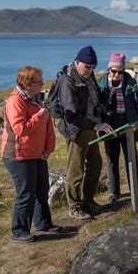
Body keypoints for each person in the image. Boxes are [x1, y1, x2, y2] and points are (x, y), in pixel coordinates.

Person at [1, 66, 59, 243]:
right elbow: (20, 129)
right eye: (39, 81)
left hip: (37, 153)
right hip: (18, 155)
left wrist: (49, 148)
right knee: (25, 193)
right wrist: (38, 117)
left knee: (42, 190)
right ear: (26, 84)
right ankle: (19, 231)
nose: (42, 83)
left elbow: (48, 125)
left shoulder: (38, 99)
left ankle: (43, 223)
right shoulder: (15, 101)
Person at [56, 46, 113, 220]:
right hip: (77, 131)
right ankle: (74, 207)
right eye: (87, 66)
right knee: (76, 169)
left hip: (91, 127)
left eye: (93, 67)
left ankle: (88, 201)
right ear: (77, 62)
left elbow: (94, 99)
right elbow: (71, 114)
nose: (90, 70)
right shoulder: (67, 81)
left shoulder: (89, 76)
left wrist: (100, 118)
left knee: (95, 164)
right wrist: (94, 126)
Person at [97, 53, 138, 202]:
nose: (117, 75)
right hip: (110, 129)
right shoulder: (101, 85)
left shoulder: (130, 84)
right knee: (112, 160)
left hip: (128, 128)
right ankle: (114, 192)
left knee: (131, 159)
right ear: (109, 69)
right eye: (114, 71)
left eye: (120, 72)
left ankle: (135, 191)